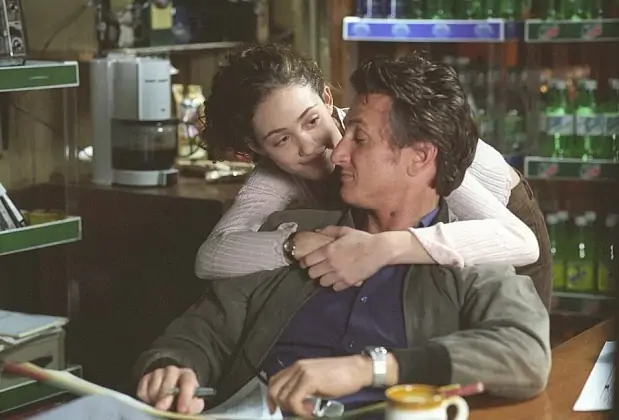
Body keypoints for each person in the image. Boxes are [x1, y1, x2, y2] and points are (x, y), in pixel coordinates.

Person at [134, 53, 550, 417]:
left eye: (358, 138)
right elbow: (207, 319)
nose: (332, 151)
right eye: (281, 139)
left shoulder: (467, 251)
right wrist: (173, 364)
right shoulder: (289, 225)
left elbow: (524, 348)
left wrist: (371, 366)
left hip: (502, 221)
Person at [195, 43, 552, 308]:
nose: (309, 145)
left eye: (312, 120)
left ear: (327, 98)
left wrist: (384, 247)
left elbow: (519, 241)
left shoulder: (395, 140)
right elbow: (212, 254)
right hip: (421, 237)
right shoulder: (274, 176)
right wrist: (293, 245)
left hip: (499, 222)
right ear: (256, 147)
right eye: (281, 139)